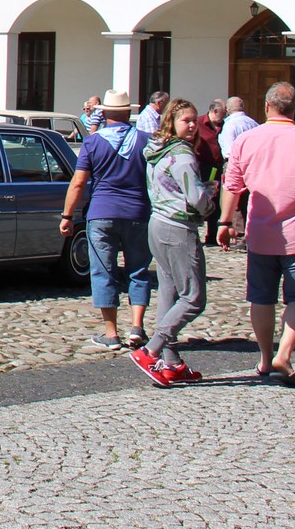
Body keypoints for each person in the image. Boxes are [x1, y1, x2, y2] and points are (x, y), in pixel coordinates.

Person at [219, 82, 295, 387]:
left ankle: (264, 357)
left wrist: (224, 222)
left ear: (266, 107)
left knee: (261, 298)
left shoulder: (247, 140)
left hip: (260, 232)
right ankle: (284, 354)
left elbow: (232, 185)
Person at [62, 89, 154, 351]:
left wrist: (68, 215)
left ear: (105, 114)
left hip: (102, 211)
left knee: (104, 271)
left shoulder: (92, 142)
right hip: (137, 212)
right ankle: (137, 326)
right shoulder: (145, 140)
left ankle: (111, 333)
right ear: (128, 113)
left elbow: (79, 182)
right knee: (138, 270)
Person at [135, 99, 209, 386]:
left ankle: (172, 362)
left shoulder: (157, 150)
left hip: (158, 223)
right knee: (193, 297)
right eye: (185, 121)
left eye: (194, 120)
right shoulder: (182, 155)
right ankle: (151, 350)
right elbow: (196, 199)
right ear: (171, 123)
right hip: (178, 227)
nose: (191, 125)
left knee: (168, 292)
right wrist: (210, 201)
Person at [194, 99, 226, 245]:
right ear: (214, 111)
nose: (224, 117)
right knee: (200, 198)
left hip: (219, 167)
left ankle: (212, 235)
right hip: (203, 167)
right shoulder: (199, 123)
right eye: (223, 113)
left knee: (216, 201)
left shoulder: (225, 125)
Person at [218, 95, 257, 164]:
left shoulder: (229, 125)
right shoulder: (254, 123)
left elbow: (229, 152)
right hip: (253, 163)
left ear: (228, 109)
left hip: (235, 165)